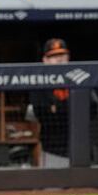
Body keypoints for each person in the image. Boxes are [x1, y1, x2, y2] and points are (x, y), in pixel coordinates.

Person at [28, 38, 71, 168]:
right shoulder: (39, 83)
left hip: (80, 145)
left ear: (68, 57)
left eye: (62, 55)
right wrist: (67, 108)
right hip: (52, 148)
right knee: (52, 180)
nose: (59, 59)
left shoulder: (79, 77)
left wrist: (57, 107)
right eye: (53, 56)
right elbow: (42, 115)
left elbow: (92, 109)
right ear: (45, 60)